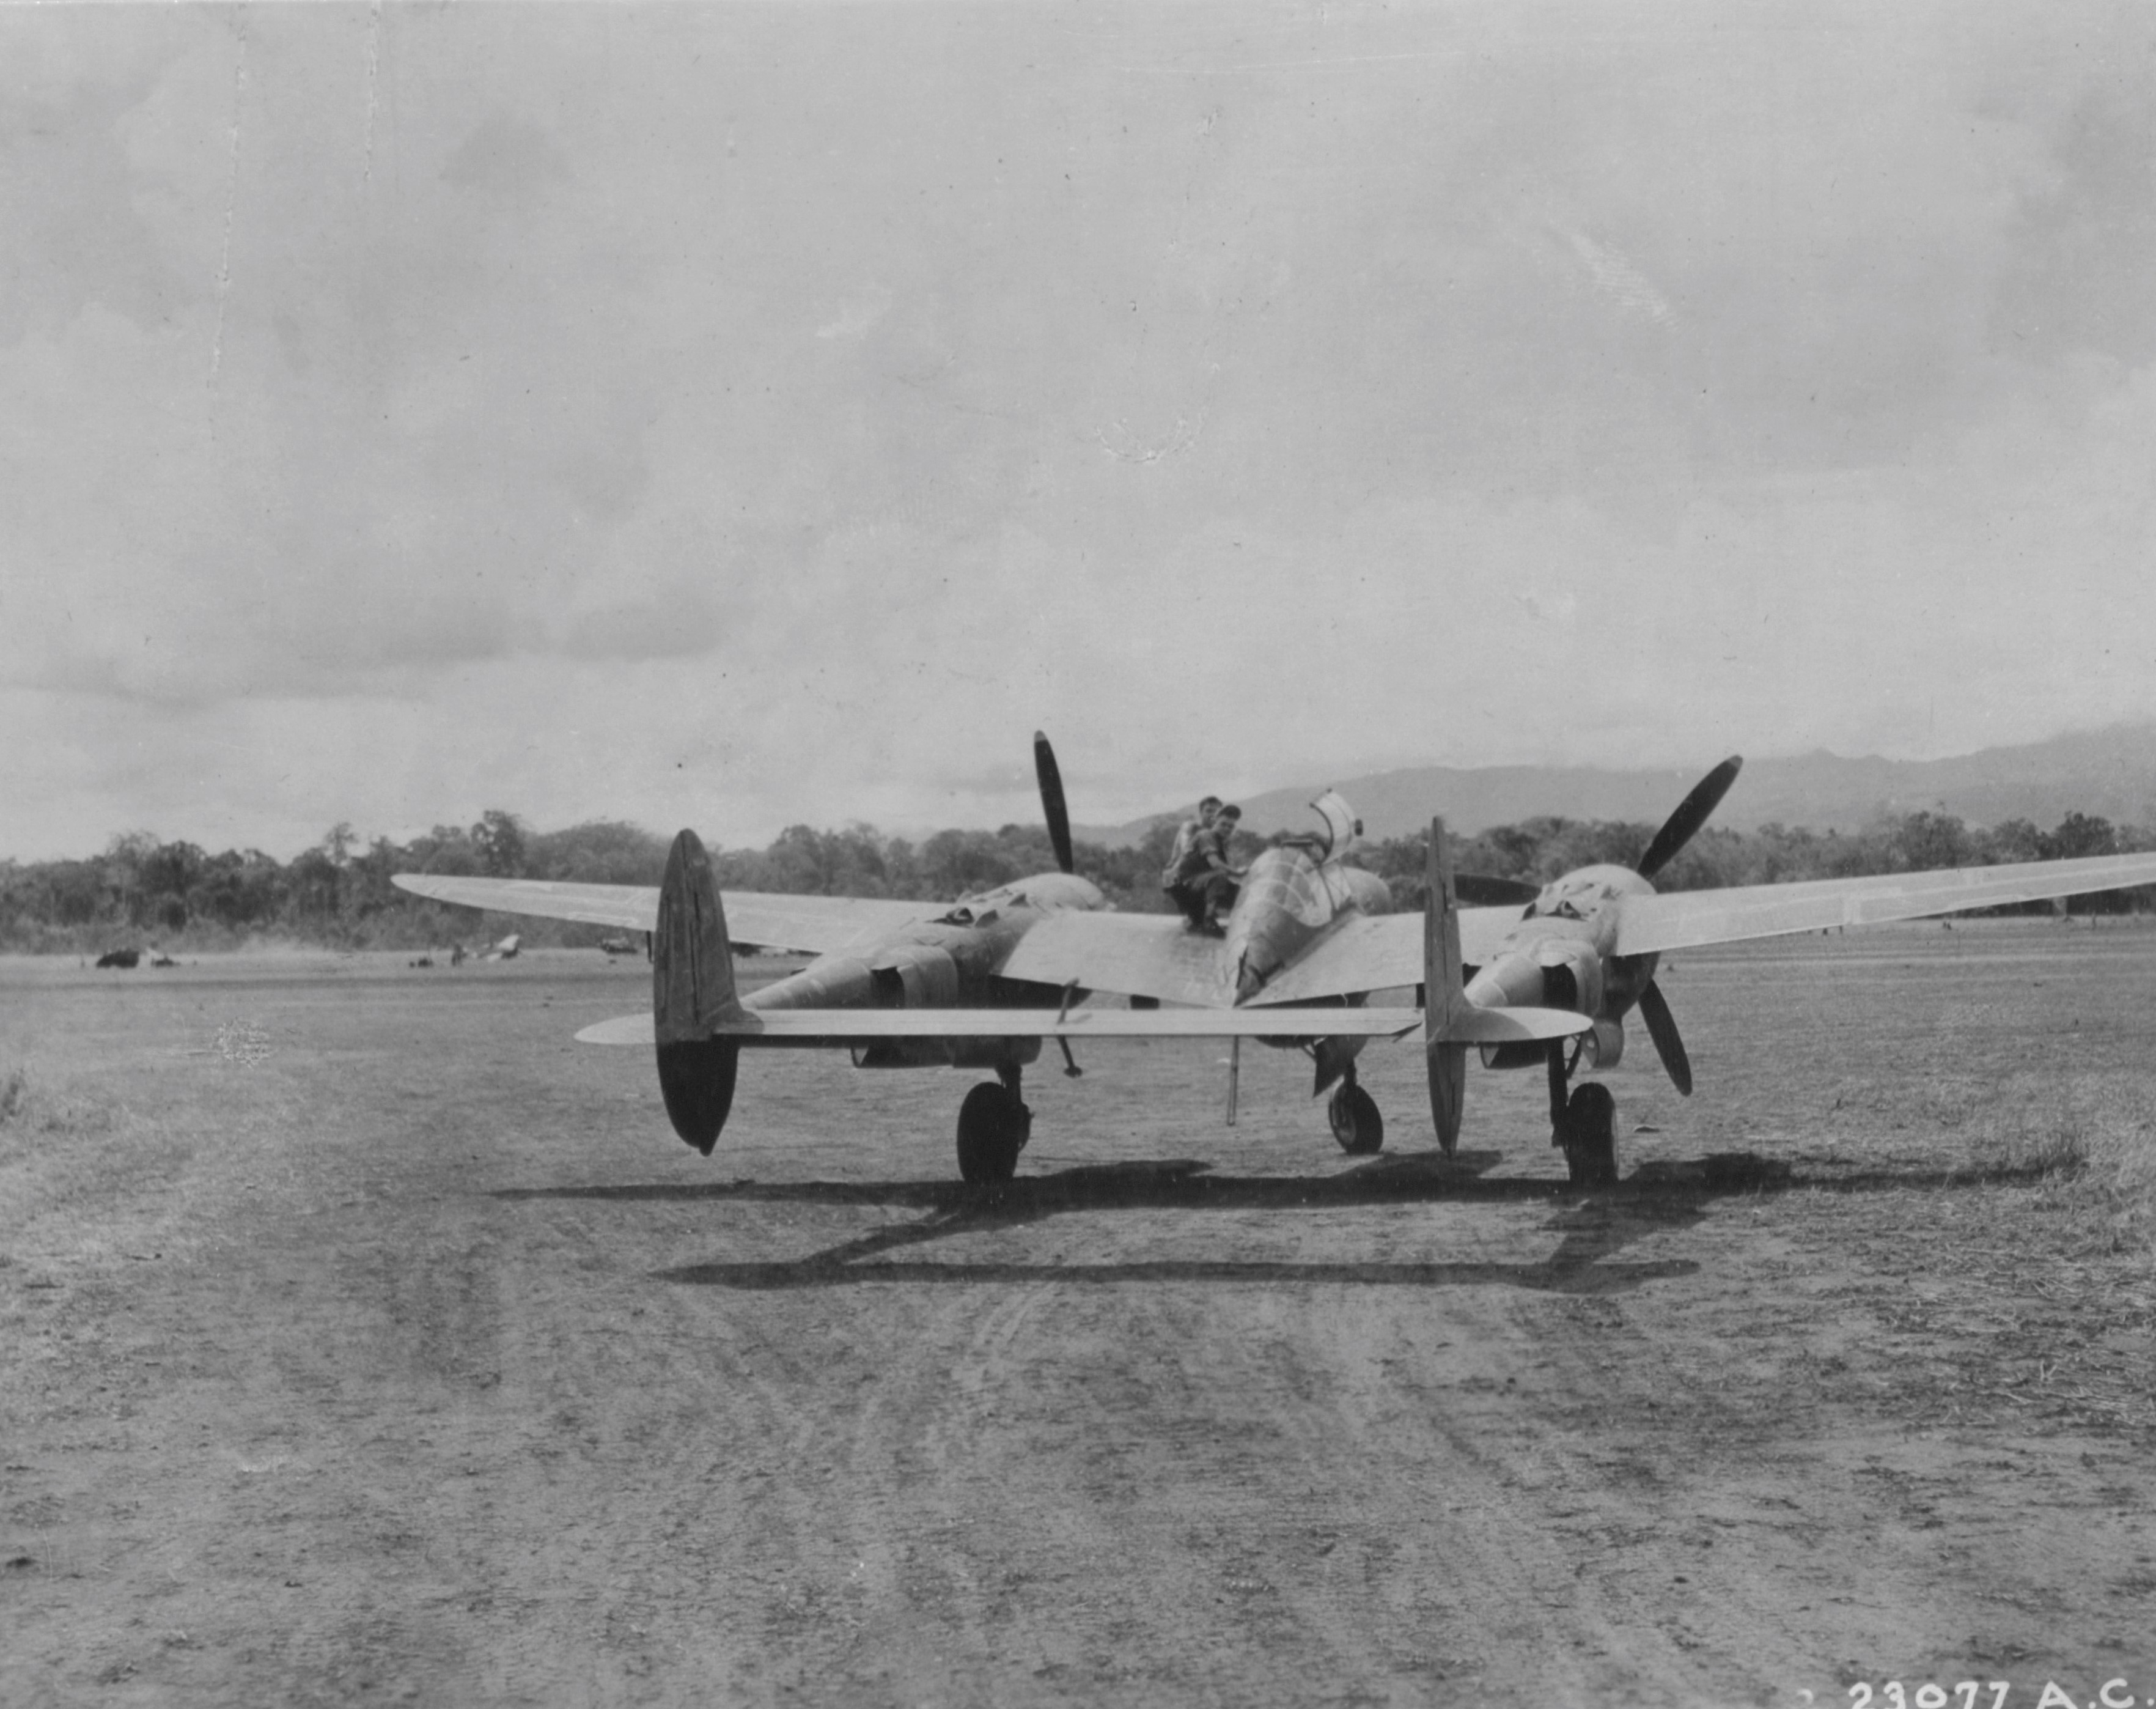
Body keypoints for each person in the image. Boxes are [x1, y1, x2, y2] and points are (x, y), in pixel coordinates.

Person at [1164, 800, 1246, 933]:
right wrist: (1238, 873)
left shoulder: (1220, 842)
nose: (1227, 829)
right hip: (1183, 884)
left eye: (1230, 827)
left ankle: (1198, 920)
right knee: (1221, 875)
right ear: (1215, 821)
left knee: (1235, 886)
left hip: (1195, 882)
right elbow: (1215, 863)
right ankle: (1207, 920)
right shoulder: (1206, 835)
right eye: (1223, 824)